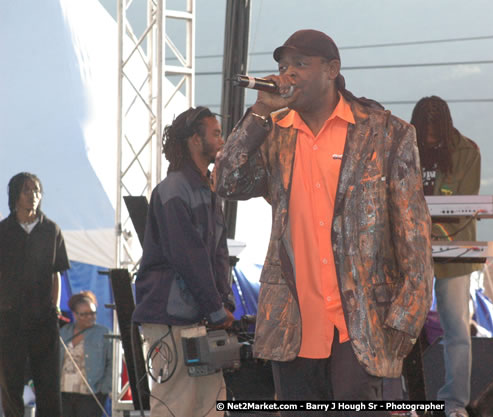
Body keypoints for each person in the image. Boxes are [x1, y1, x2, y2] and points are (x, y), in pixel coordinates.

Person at [214, 29, 433, 416]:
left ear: (332, 69)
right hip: (294, 326)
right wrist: (260, 111)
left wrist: (402, 324)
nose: (288, 74)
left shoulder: (386, 133)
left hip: (365, 325)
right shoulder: (274, 134)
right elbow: (226, 181)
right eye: (283, 66)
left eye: (301, 64)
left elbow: (413, 236)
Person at [132, 106, 235, 417]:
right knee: (175, 405)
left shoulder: (207, 189)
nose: (222, 139)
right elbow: (188, 257)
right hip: (171, 317)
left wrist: (221, 304)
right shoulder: (174, 190)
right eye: (216, 133)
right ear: (195, 140)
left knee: (210, 406)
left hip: (198, 317)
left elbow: (216, 255)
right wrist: (217, 308)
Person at [410, 96, 481, 417]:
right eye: (424, 126)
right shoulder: (405, 148)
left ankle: (454, 404)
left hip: (452, 250)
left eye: (435, 126)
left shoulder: (466, 151)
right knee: (402, 328)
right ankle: (408, 399)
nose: (429, 133)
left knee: (456, 330)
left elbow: (466, 204)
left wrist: (432, 231)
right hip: (412, 250)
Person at [0, 172, 70, 417]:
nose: (33, 196)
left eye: (37, 190)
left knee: (48, 383)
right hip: (10, 318)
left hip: (43, 317)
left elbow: (56, 273)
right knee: (10, 381)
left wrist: (55, 307)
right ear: (15, 195)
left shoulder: (51, 230)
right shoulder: (3, 231)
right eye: (27, 190)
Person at [59, 290, 112, 417]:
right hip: (63, 392)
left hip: (91, 393)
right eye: (84, 314)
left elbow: (112, 363)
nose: (90, 317)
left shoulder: (103, 333)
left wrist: (104, 389)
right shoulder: (63, 332)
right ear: (75, 314)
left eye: (93, 313)